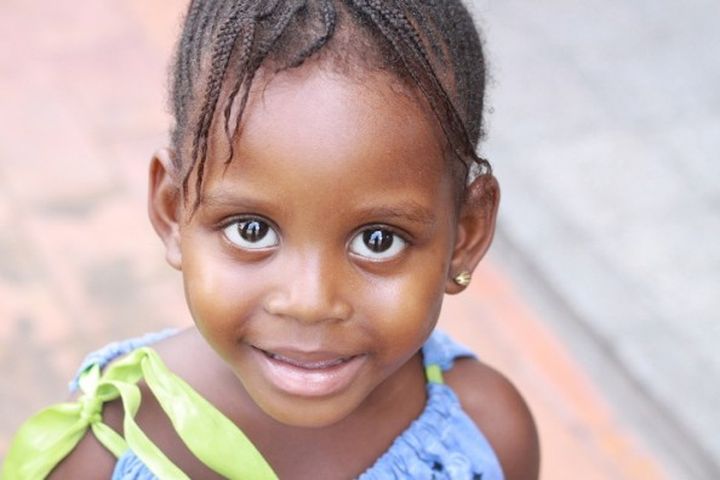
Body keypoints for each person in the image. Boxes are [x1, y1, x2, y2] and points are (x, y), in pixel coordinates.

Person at [2, 1, 539, 478]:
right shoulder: (100, 456)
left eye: (378, 240)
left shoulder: (488, 435)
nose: (310, 302)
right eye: (251, 230)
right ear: (172, 211)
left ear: (466, 235)